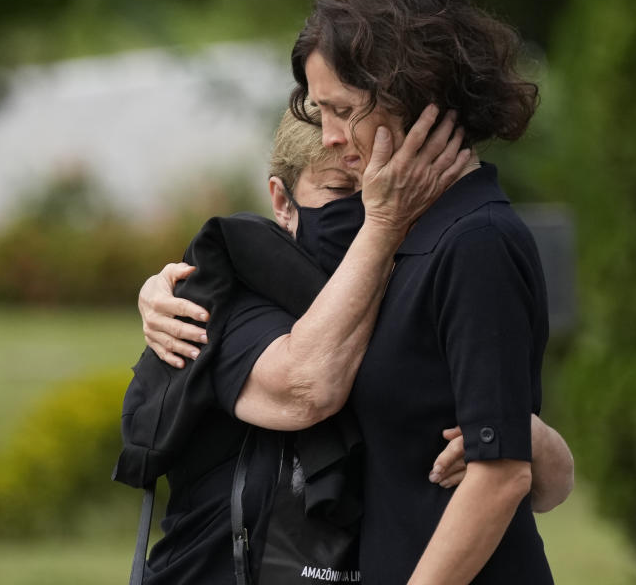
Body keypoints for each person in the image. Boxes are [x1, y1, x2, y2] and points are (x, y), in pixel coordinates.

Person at [143, 0, 565, 583]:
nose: (332, 137)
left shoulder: (476, 240)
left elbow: (501, 477)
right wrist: (160, 292)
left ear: (409, 88)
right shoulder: (401, 238)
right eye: (322, 112)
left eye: (342, 110)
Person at [116, 105, 476, 583]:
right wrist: (385, 225)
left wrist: (506, 437)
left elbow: (554, 479)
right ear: (282, 203)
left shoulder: (415, 302)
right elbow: (306, 387)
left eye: (383, 186)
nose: (368, 204)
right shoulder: (228, 299)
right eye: (341, 191)